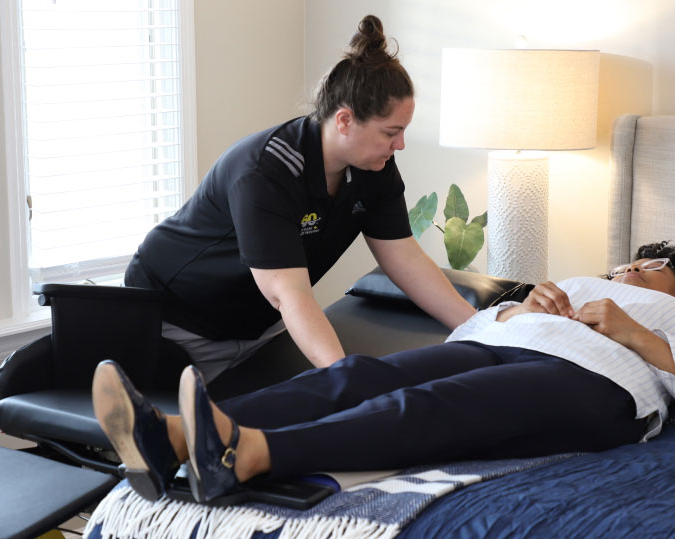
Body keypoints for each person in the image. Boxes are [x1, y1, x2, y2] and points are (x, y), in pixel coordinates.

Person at [94, 241, 675, 503]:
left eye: (649, 267)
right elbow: (475, 325)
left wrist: (634, 330)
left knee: (430, 407)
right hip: (509, 341)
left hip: (596, 384)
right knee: (355, 376)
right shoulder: (573, 279)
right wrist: (514, 312)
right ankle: (177, 436)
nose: (628, 270)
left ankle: (248, 456)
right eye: (626, 263)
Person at [124, 15, 476, 381]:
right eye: (391, 131)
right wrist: (344, 377)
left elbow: (405, 259)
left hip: (258, 325)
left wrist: (482, 329)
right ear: (344, 121)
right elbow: (289, 295)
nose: (399, 144)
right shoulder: (265, 173)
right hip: (178, 321)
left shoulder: (374, 166)